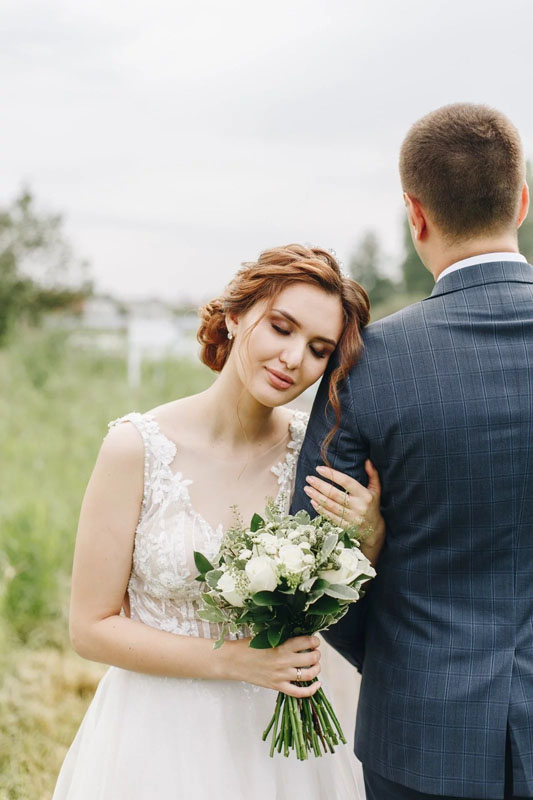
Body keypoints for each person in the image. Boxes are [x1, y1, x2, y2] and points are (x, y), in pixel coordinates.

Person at [52, 244, 385, 800]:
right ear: (234, 315)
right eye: (281, 327)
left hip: (284, 747)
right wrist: (236, 660)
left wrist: (370, 534)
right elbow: (90, 628)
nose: (293, 358)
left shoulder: (318, 454)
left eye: (318, 349)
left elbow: (338, 600)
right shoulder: (136, 449)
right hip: (157, 738)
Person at [292, 103, 533, 800]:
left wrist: (398, 662)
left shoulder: (367, 364)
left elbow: (312, 562)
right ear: (521, 202)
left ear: (415, 215)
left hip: (420, 729)